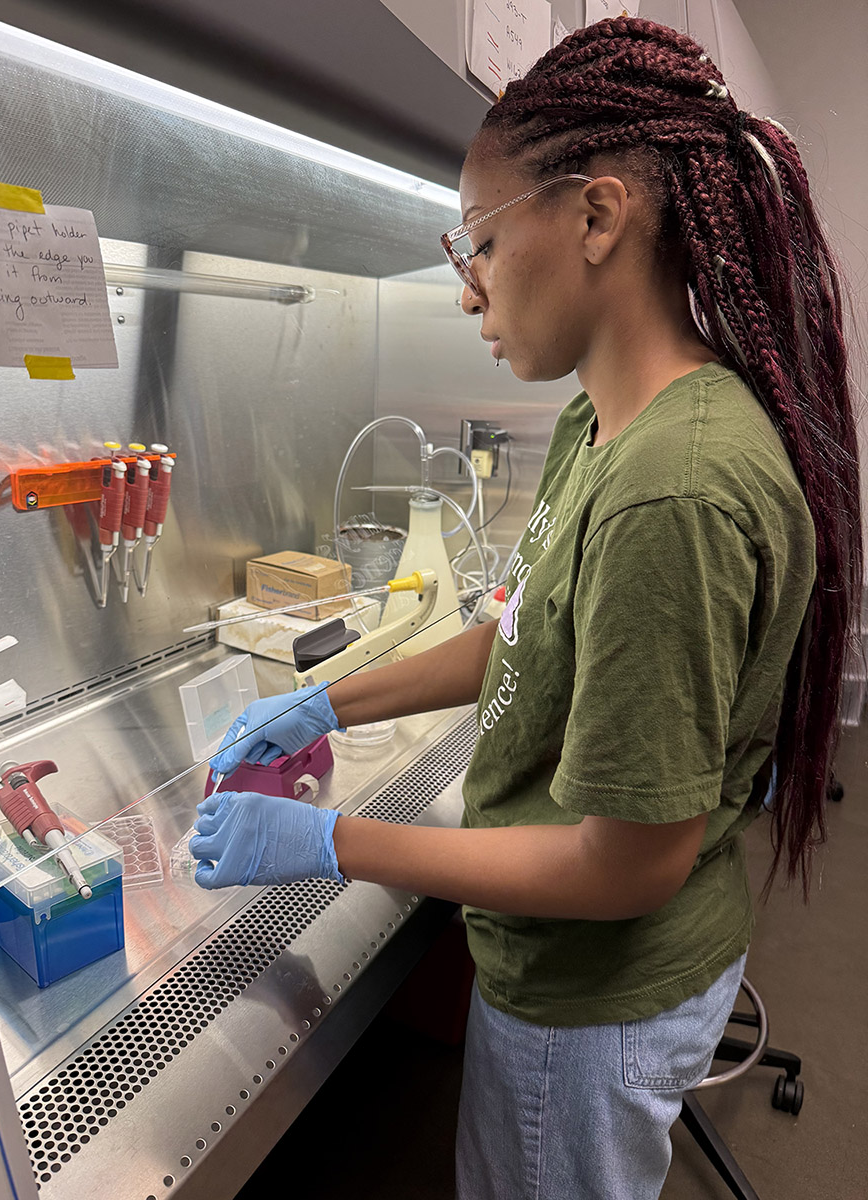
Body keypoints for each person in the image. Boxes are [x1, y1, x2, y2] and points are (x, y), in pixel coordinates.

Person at [190, 18, 862, 1199]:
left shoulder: (671, 490)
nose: (469, 293)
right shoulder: (600, 422)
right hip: (563, 975)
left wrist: (331, 844)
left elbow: (624, 867)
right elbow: (514, 635)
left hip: (594, 1002)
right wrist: (325, 703)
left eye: (484, 244)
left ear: (597, 218)